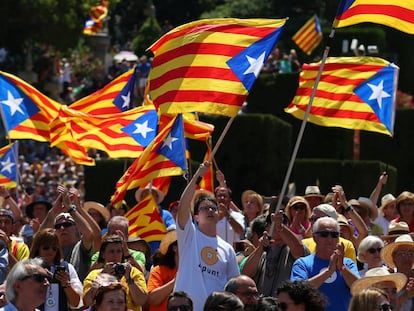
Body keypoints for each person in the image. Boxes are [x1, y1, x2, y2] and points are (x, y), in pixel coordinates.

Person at [175, 162, 240, 311]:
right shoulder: (189, 235)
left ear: (219, 215)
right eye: (204, 208)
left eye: (213, 208)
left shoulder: (227, 249)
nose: (210, 210)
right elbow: (183, 206)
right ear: (196, 217)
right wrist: (198, 176)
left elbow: (233, 285)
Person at [291, 216, 360, 311]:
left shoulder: (348, 264)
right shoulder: (302, 264)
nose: (329, 239)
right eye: (324, 234)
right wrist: (328, 271)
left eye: (334, 235)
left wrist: (342, 268)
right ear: (314, 237)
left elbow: (359, 289)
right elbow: (297, 293)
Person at [242, 211, 307, 297]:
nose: (275, 224)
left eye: (282, 222)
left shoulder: (293, 247)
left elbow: (299, 252)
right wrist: (260, 248)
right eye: (270, 222)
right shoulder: (262, 250)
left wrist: (280, 228)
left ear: (288, 227)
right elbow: (246, 273)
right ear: (267, 228)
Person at [83, 235, 147, 311]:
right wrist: (101, 278)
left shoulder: (133, 272)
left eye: (119, 251)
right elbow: (87, 302)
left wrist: (129, 279)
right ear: (103, 254)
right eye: (111, 251)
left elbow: (141, 301)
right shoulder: (94, 275)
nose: (115, 255)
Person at [29, 228, 83, 311]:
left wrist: (66, 284)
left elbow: (76, 304)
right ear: (37, 248)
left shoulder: (67, 268)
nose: (50, 251)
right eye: (46, 247)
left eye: (54, 248)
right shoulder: (28, 268)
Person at [135, 185, 175, 253]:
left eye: (151, 195)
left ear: (157, 198)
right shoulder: (135, 216)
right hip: (140, 255)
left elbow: (173, 230)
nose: (148, 197)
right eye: (145, 195)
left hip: (160, 254)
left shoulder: (166, 214)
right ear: (141, 198)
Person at [380, 234, 414, 310]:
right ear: (394, 257)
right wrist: (406, 295)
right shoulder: (388, 282)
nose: (407, 257)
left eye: (411, 253)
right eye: (402, 253)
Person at [147, 230, 178, 311]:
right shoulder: (158, 271)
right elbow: (152, 299)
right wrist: (175, 281)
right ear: (175, 248)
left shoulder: (193, 271)